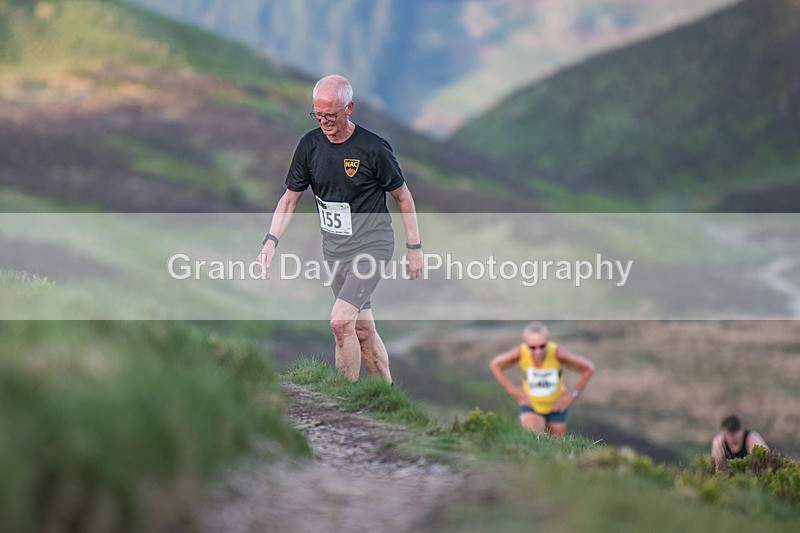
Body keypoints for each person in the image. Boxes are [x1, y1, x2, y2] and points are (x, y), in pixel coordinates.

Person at [258, 74, 423, 383]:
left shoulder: (373, 148)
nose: (324, 121)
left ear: (350, 108)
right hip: (335, 250)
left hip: (372, 246)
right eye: (318, 114)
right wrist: (270, 241)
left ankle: (343, 398)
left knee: (339, 323)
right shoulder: (309, 146)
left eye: (331, 114)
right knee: (362, 329)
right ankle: (386, 398)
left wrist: (414, 249)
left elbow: (403, 196)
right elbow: (290, 199)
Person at [490, 321, 594, 436]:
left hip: (557, 408)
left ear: (547, 341)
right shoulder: (521, 352)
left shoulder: (557, 353)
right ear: (526, 344)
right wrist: (512, 391)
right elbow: (496, 365)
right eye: (532, 347)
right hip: (531, 406)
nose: (538, 351)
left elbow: (588, 368)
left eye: (542, 346)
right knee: (535, 438)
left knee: (556, 448)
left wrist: (573, 395)